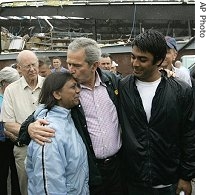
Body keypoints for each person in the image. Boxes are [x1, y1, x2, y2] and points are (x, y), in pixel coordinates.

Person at [18, 37, 125, 195]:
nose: (70, 69)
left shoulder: (112, 83)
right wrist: (30, 128)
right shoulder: (68, 90)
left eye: (76, 65)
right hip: (90, 170)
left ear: (94, 65)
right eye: (69, 63)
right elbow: (34, 120)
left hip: (118, 168)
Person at [118, 30, 195, 195]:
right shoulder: (122, 87)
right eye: (133, 57)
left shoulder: (181, 91)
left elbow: (190, 134)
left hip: (170, 181)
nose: (135, 63)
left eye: (142, 59)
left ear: (159, 61)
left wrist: (186, 176)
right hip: (133, 182)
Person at [26, 72, 89, 195]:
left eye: (78, 86)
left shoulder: (67, 118)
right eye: (72, 87)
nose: (78, 91)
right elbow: (50, 188)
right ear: (57, 94)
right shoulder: (48, 132)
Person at [1, 50, 45, 195]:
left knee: (50, 186)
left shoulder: (49, 85)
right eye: (27, 66)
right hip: (24, 148)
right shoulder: (11, 91)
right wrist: (30, 130)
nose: (32, 69)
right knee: (26, 189)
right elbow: (8, 123)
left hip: (48, 145)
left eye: (34, 64)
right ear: (19, 68)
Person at [0, 67, 21, 195]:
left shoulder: (14, 95)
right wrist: (7, 133)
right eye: (12, 82)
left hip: (15, 140)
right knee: (2, 174)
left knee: (16, 174)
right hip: (2, 142)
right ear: (3, 82)